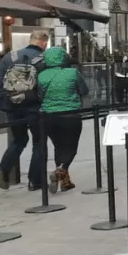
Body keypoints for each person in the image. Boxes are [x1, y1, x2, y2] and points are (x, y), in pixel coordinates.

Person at [0, 29, 49, 191]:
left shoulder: (10, 57)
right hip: (35, 107)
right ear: (43, 42)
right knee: (39, 142)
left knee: (19, 140)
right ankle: (36, 181)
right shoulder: (43, 59)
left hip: (12, 105)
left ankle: (3, 168)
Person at [37, 46, 90, 192]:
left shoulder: (41, 75)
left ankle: (65, 182)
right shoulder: (72, 72)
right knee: (71, 147)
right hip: (70, 114)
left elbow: (40, 95)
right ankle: (61, 169)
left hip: (48, 116)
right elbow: (84, 91)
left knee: (58, 147)